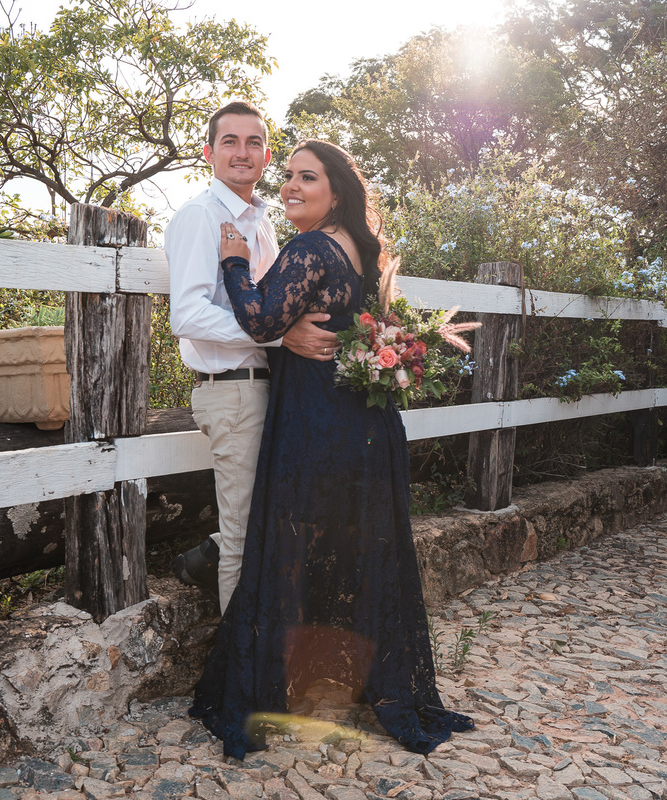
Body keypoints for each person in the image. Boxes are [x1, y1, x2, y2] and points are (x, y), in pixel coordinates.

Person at [189, 139, 474, 759]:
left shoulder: (312, 247)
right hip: (364, 429)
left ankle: (268, 687)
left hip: (317, 423)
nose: (290, 186)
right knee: (354, 552)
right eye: (287, 176)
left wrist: (236, 263)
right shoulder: (359, 252)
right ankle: (335, 678)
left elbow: (260, 321)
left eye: (306, 178)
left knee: (285, 543)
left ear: (336, 190)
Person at [166, 101, 339, 614]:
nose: (243, 152)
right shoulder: (202, 216)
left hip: (271, 389)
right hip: (232, 388)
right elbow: (189, 316)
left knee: (272, 522)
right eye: (229, 142)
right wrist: (276, 337)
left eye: (254, 143)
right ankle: (238, 676)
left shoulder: (263, 221)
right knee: (242, 535)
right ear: (208, 153)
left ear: (266, 155)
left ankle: (259, 640)